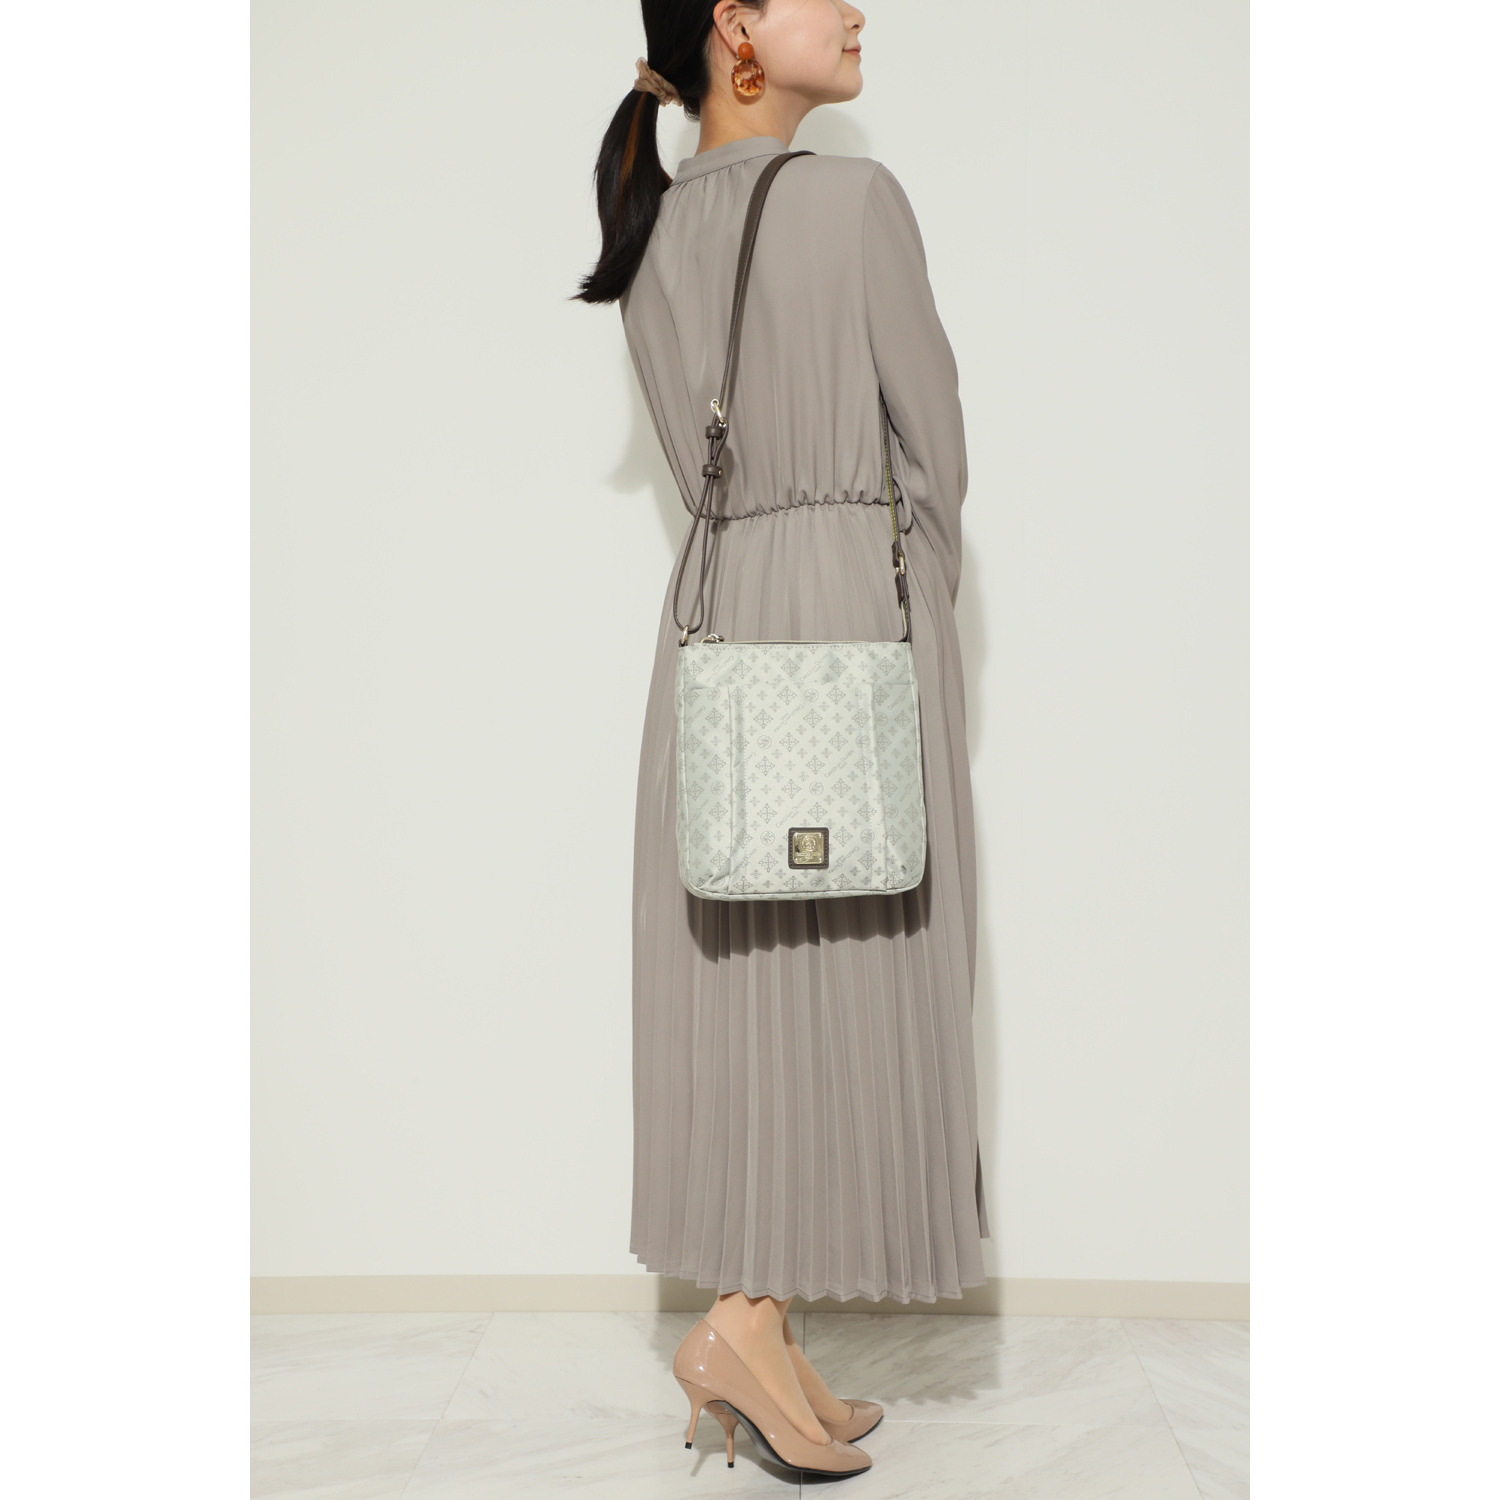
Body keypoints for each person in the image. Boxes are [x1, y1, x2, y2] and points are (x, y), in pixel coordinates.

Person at [573, 0, 989, 1479]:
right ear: (737, 30)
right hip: (851, 628)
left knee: (752, 1006)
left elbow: (704, 471)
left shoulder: (649, 231)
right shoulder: (855, 202)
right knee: (853, 982)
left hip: (719, 635)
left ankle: (768, 1335)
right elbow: (934, 457)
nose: (856, 9)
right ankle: (741, 1330)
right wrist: (914, 617)